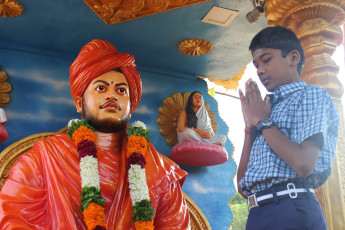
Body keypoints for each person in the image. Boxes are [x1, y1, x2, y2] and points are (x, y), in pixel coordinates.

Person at [0, 39, 190, 229]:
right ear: (79, 103)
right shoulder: (45, 157)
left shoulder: (161, 172)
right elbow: (12, 218)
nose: (112, 96)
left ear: (131, 108)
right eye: (101, 88)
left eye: (121, 90)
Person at [237, 26, 339, 230]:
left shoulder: (310, 95)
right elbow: (242, 185)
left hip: (290, 207)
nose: (260, 70)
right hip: (258, 212)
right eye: (256, 65)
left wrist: (264, 122)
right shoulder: (266, 109)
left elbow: (303, 163)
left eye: (266, 60)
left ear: (293, 58)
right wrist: (251, 127)